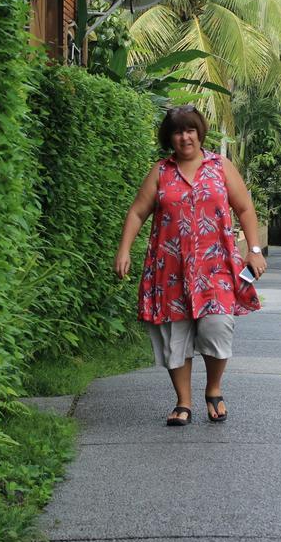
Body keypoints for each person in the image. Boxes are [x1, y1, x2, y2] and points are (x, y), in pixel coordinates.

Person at [113, 105, 266, 426]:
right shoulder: (161, 172)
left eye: (190, 130)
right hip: (169, 269)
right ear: (170, 138)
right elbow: (138, 212)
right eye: (178, 131)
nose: (185, 137)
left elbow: (246, 209)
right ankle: (183, 402)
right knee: (175, 334)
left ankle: (213, 388)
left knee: (217, 327)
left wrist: (254, 250)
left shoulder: (220, 166)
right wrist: (124, 250)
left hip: (217, 267)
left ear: (200, 133)